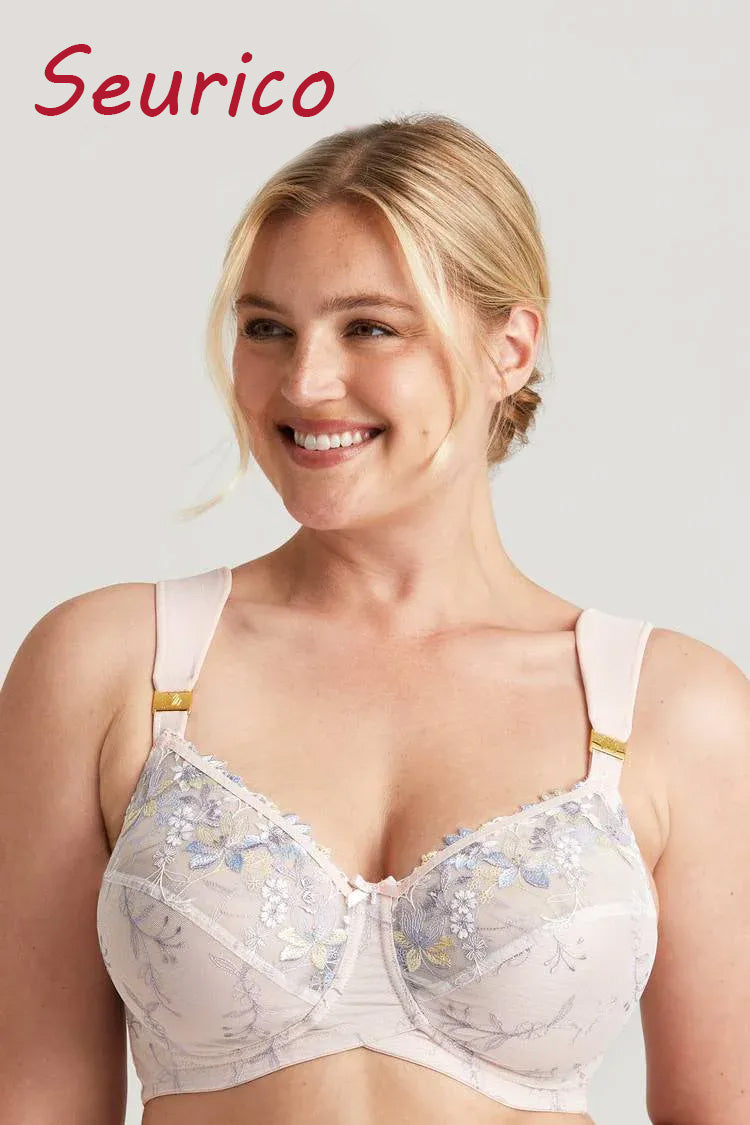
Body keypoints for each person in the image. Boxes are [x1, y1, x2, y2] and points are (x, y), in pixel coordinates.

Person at [2, 112, 748, 1125]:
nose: (304, 382)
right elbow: (36, 1101)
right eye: (267, 328)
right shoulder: (110, 668)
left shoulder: (669, 708)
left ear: (510, 349)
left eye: (370, 328)